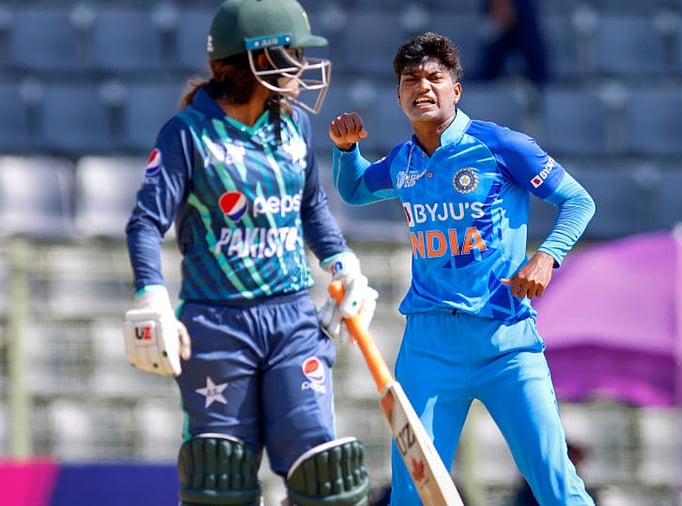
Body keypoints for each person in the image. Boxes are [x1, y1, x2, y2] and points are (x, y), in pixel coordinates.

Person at [122, 1, 377, 505]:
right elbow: (146, 222)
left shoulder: (293, 127)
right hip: (216, 326)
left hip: (292, 321)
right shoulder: (188, 134)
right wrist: (152, 296)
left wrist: (345, 265)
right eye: (294, 55)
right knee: (220, 478)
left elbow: (312, 208)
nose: (303, 68)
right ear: (259, 60)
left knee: (325, 475)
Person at [328, 32, 596, 506]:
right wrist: (347, 151)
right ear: (399, 94)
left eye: (435, 77)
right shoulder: (402, 160)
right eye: (411, 79)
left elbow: (578, 200)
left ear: (457, 89)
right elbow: (354, 192)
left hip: (506, 341)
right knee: (412, 496)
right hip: (429, 348)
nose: (423, 87)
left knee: (557, 487)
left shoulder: (501, 145)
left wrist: (547, 254)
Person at [473, 0, 551, 90]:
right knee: (492, 40)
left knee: (531, 41)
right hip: (499, 22)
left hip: (522, 20)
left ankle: (540, 83)